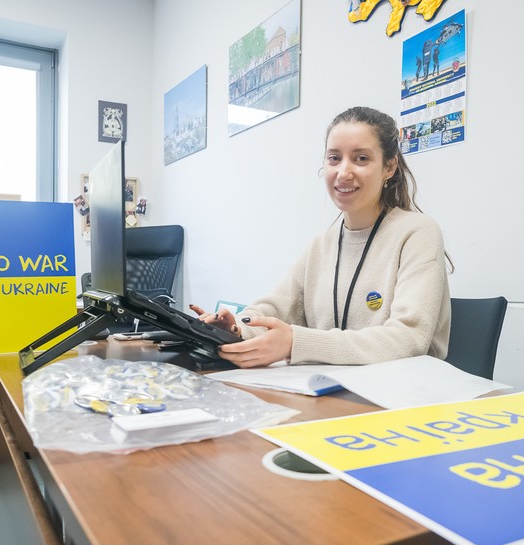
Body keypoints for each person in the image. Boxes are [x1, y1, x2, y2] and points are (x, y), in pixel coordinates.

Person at [191, 106, 451, 369]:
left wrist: (296, 343)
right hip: (333, 387)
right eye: (334, 158)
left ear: (389, 166)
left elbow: (409, 338)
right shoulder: (321, 245)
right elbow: (274, 309)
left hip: (405, 389)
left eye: (361, 158)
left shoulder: (417, 232)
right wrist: (236, 328)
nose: (343, 172)